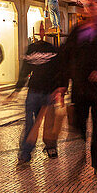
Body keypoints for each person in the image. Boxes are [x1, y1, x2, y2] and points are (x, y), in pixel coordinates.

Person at [59, 0, 97, 179]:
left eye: (93, 9)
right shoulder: (77, 32)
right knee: (78, 123)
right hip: (80, 88)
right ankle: (79, 150)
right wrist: (62, 84)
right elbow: (66, 57)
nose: (90, 12)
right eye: (87, 9)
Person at [10, 31, 67, 163]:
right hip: (34, 92)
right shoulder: (33, 49)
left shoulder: (53, 50)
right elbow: (25, 70)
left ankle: (50, 147)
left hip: (49, 92)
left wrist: (61, 89)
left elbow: (61, 70)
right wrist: (17, 89)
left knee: (48, 123)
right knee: (30, 124)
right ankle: (25, 152)